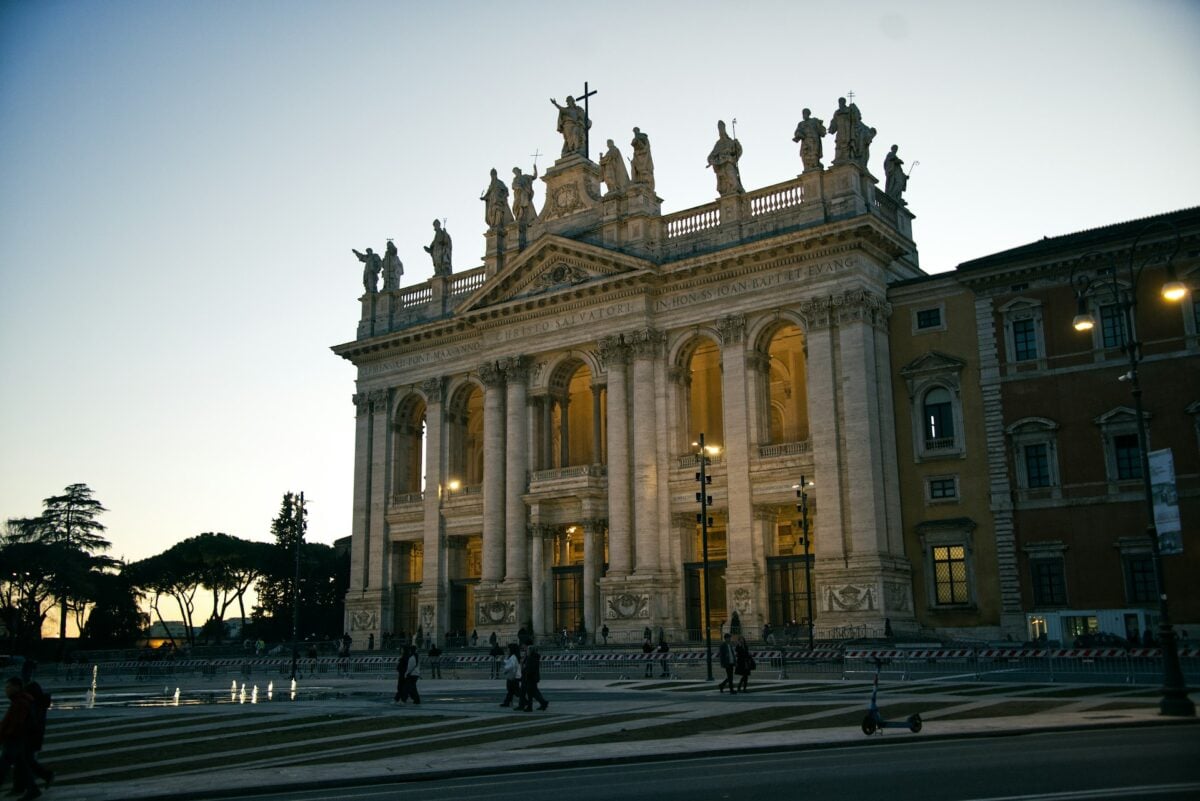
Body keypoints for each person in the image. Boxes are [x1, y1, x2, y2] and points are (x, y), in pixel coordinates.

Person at [0, 677, 39, 800]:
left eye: (8, 687)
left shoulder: (20, 703)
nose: (6, 690)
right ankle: (33, 789)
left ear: (16, 687)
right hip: (16, 739)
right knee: (21, 765)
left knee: (3, 766)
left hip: (13, 739)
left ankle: (33, 789)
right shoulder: (20, 701)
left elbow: (15, 723)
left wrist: (4, 735)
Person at [706, 120, 743, 196]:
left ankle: (735, 189)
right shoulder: (718, 144)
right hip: (721, 166)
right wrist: (711, 160)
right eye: (719, 129)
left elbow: (738, 151)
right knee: (724, 180)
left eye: (722, 128)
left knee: (732, 177)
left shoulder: (731, 142)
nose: (720, 131)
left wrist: (737, 146)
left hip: (729, 163)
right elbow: (710, 156)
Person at [828, 96, 862, 165]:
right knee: (839, 143)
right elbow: (834, 121)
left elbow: (855, 119)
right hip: (840, 130)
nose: (840, 103)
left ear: (844, 102)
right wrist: (831, 128)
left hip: (848, 130)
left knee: (847, 142)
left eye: (842, 102)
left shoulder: (849, 110)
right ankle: (839, 157)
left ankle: (847, 156)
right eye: (839, 102)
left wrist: (854, 111)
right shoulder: (837, 112)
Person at [792, 108, 827, 172]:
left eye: (805, 113)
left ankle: (815, 166)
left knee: (814, 154)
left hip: (814, 141)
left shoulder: (814, 121)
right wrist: (798, 135)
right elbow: (797, 132)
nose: (804, 115)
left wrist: (821, 128)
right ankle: (807, 168)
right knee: (805, 155)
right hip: (805, 142)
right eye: (803, 114)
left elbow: (821, 130)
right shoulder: (801, 124)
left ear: (808, 114)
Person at [519, 646, 549, 712]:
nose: (526, 652)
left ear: (530, 651)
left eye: (527, 651)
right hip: (533, 677)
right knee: (534, 692)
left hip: (530, 677)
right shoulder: (535, 657)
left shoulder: (531, 658)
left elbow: (530, 668)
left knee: (531, 693)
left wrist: (525, 669)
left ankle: (531, 706)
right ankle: (543, 703)